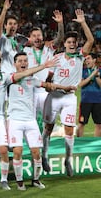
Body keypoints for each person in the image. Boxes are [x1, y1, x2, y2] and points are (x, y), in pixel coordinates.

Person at [0, 53, 57, 190]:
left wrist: (44, 67)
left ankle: (4, 180)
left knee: (3, 150)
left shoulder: (5, 77)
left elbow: (25, 74)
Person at [8, 52, 76, 190]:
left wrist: (65, 88)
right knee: (17, 152)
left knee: (36, 152)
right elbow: (20, 76)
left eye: (25, 61)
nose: (23, 63)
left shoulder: (31, 80)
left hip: (30, 121)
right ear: (14, 64)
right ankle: (19, 181)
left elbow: (48, 85)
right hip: (15, 121)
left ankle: (36, 180)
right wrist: (44, 66)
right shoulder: (10, 77)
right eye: (20, 61)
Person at [42, 9, 94, 177]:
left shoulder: (80, 56)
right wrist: (53, 86)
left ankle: (68, 160)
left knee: (69, 130)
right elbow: (47, 82)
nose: (72, 44)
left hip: (70, 99)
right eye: (69, 42)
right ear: (64, 44)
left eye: (74, 42)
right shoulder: (56, 58)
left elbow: (91, 40)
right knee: (48, 128)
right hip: (54, 97)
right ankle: (44, 156)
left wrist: (83, 22)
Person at [22, 10, 65, 131]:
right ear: (29, 38)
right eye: (34, 36)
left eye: (39, 35)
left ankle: (46, 144)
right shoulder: (25, 50)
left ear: (43, 36)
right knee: (31, 120)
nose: (37, 38)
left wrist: (60, 23)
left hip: (46, 90)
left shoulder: (48, 47)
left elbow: (60, 38)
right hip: (30, 90)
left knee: (48, 120)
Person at [76, 53, 101, 137]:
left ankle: (97, 144)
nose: (86, 61)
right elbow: (81, 84)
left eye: (88, 59)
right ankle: (79, 143)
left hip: (98, 101)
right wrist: (92, 75)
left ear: (94, 60)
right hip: (85, 101)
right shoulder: (83, 71)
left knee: (99, 124)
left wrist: (97, 76)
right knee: (81, 123)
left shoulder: (100, 71)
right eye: (85, 59)